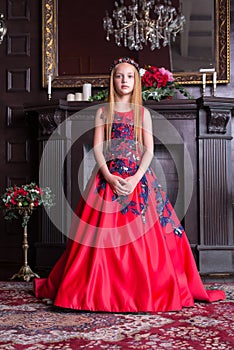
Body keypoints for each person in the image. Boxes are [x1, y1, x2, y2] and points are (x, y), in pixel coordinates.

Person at [34, 57, 225, 312]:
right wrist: (110, 177)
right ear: (112, 81)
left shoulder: (141, 113)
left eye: (129, 77)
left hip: (138, 177)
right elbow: (99, 149)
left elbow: (147, 150)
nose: (124, 81)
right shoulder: (104, 112)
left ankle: (142, 288)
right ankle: (97, 290)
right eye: (119, 76)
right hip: (108, 177)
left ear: (136, 82)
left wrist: (135, 179)